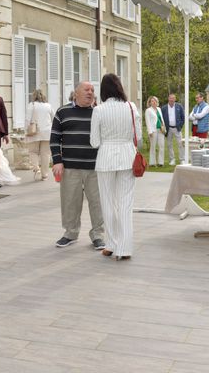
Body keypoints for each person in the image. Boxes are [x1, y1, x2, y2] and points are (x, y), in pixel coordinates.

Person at [90, 73, 141, 261]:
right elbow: (139, 136)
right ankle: (125, 248)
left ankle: (111, 244)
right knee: (125, 204)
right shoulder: (131, 107)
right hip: (128, 156)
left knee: (108, 203)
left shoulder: (99, 110)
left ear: (103, 91)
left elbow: (94, 142)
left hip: (105, 159)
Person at [50, 81, 104, 250]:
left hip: (95, 167)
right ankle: (70, 233)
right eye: (86, 90)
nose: (90, 93)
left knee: (97, 202)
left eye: (93, 90)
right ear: (76, 93)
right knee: (70, 201)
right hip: (70, 167)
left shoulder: (98, 112)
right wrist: (57, 161)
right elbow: (54, 139)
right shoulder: (62, 112)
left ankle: (98, 235)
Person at [25, 89, 54, 181]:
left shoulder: (31, 105)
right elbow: (54, 118)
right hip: (47, 132)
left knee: (33, 152)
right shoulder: (48, 106)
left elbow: (27, 119)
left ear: (34, 96)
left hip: (34, 132)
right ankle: (44, 175)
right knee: (45, 154)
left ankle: (36, 168)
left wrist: (26, 131)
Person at [161, 93, 185, 165]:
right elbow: (161, 119)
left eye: (173, 98)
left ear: (175, 99)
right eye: (170, 98)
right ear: (168, 98)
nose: (172, 99)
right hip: (168, 129)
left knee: (180, 144)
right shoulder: (164, 108)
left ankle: (182, 159)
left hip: (177, 128)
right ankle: (172, 159)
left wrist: (180, 126)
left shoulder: (179, 106)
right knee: (169, 145)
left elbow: (182, 117)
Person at [144, 96, 165, 167]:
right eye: (152, 101)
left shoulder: (159, 109)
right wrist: (150, 131)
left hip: (161, 130)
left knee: (161, 146)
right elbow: (148, 122)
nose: (154, 102)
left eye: (155, 101)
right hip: (153, 130)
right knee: (153, 147)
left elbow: (161, 119)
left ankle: (160, 162)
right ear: (150, 102)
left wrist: (164, 128)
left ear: (157, 102)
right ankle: (152, 162)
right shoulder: (148, 110)